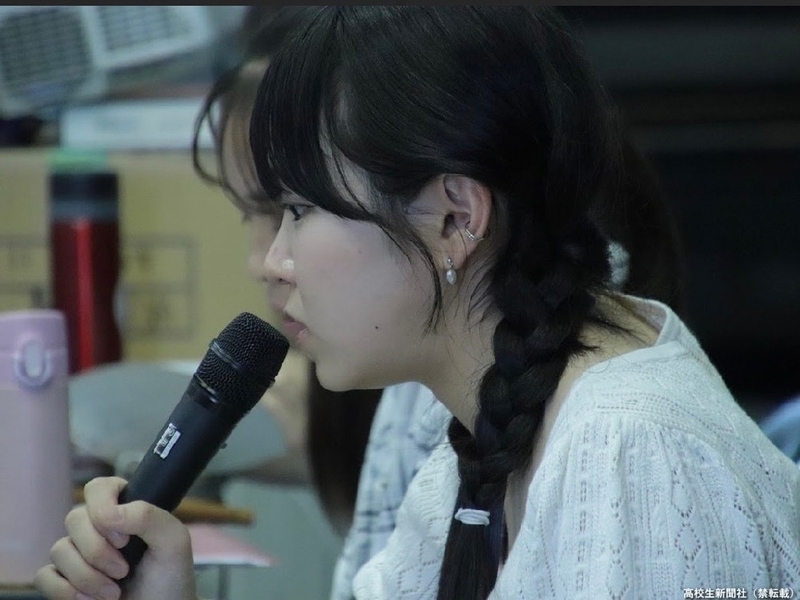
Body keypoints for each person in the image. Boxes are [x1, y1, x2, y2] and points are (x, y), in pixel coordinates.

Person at [39, 7, 800, 600]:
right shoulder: (481, 419)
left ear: (455, 218)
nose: (272, 262)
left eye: (297, 210)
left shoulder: (628, 450)